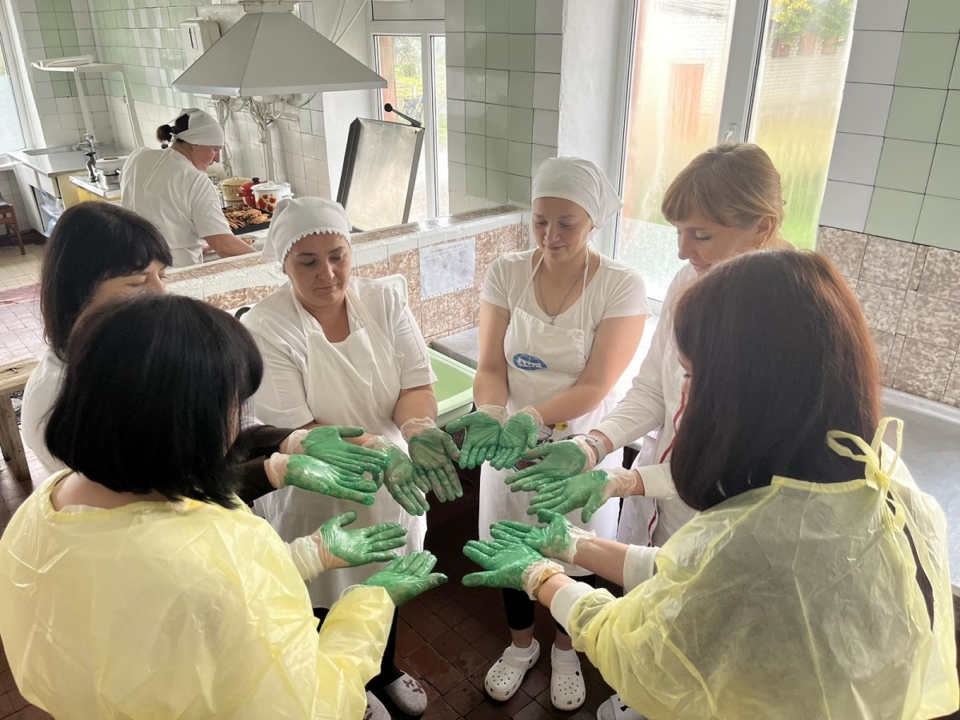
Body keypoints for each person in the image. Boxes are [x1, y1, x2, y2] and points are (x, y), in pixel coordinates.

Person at [464, 250, 959, 720]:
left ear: (750, 387)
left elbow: (641, 652)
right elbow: (699, 575)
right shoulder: (872, 467)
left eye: (691, 374)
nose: (685, 396)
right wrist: (580, 542)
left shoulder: (756, 539)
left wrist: (544, 579)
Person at [0, 293, 448, 720]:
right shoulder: (199, 567)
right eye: (234, 406)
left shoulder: (43, 509)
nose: (239, 424)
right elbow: (308, 704)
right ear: (186, 424)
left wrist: (306, 556)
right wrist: (370, 606)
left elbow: (210, 611)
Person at [242, 196, 459, 719]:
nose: (328, 273)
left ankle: (384, 671)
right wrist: (378, 446)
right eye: (308, 262)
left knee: (384, 586)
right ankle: (342, 689)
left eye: (338, 256)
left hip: (394, 483)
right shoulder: (267, 327)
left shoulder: (382, 300)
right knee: (324, 593)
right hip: (316, 492)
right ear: (284, 264)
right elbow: (300, 430)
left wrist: (417, 428)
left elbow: (415, 385)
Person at [446, 156, 649, 711]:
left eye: (567, 223)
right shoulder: (508, 272)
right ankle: (521, 646)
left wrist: (533, 418)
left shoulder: (620, 285)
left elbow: (596, 383)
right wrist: (494, 416)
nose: (550, 235)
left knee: (577, 553)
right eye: (540, 221)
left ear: (594, 221)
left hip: (581, 448)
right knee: (511, 549)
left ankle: (565, 650)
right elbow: (491, 365)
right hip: (509, 448)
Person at [22, 202, 388, 506]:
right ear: (79, 290)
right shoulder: (57, 397)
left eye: (162, 276)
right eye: (137, 283)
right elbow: (157, 504)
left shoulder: (134, 356)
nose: (160, 294)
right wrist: (271, 473)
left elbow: (203, 435)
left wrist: (283, 439)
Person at [121, 107, 255, 267]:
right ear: (195, 143)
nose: (218, 159)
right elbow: (223, 245)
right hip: (173, 269)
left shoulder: (137, 157)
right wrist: (268, 262)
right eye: (215, 149)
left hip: (130, 264)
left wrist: (188, 242)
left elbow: (155, 208)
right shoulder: (195, 179)